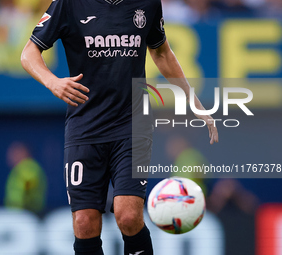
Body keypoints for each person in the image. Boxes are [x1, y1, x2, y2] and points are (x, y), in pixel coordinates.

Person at [21, 0, 218, 254]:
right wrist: (52, 82)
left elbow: (161, 52)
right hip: (85, 126)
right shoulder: (69, 4)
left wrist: (192, 100)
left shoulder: (146, 3)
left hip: (132, 123)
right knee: (84, 223)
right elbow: (29, 52)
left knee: (128, 215)